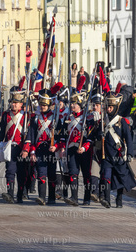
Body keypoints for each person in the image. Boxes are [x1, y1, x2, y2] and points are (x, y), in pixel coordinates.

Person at [21, 83, 63, 205]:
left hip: (51, 149)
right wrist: (32, 151)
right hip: (39, 149)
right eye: (41, 104)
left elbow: (61, 136)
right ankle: (42, 197)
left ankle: (51, 198)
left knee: (51, 174)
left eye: (45, 104)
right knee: (41, 173)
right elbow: (31, 136)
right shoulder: (35, 118)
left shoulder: (55, 118)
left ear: (49, 104)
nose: (43, 106)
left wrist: (56, 146)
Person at [99, 92, 136, 208]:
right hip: (106, 155)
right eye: (107, 107)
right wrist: (98, 134)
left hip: (119, 154)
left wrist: (130, 153)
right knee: (106, 176)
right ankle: (106, 199)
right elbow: (96, 137)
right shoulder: (102, 121)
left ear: (115, 108)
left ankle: (119, 199)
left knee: (120, 177)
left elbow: (128, 139)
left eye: (111, 107)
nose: (109, 109)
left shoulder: (122, 121)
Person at [0, 81, 28, 203]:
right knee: (10, 171)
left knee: (22, 173)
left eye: (16, 103)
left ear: (21, 105)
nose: (13, 105)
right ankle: (10, 194)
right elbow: (2, 133)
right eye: (12, 103)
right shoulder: (5, 115)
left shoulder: (26, 116)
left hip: (22, 147)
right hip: (9, 147)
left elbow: (28, 134)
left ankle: (20, 195)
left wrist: (26, 149)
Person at [59, 78, 91, 206]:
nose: (72, 105)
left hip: (84, 149)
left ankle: (87, 198)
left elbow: (90, 136)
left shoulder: (86, 117)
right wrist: (62, 147)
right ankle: (74, 198)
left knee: (86, 175)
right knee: (73, 173)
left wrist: (84, 147)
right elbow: (63, 134)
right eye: (72, 103)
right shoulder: (68, 117)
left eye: (75, 103)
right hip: (71, 148)